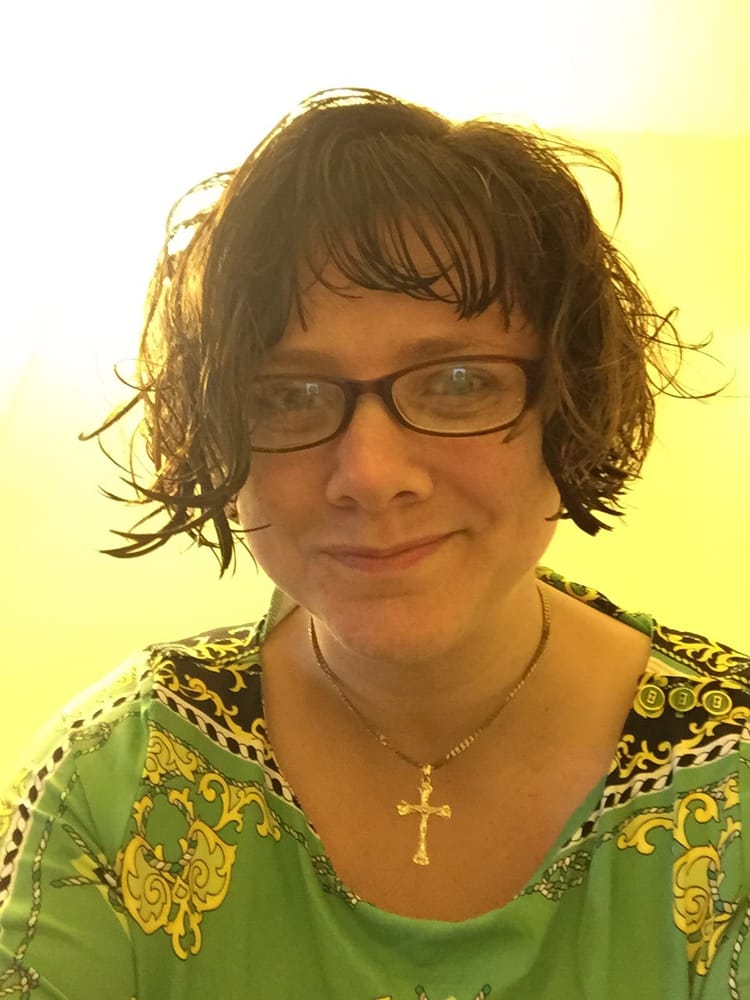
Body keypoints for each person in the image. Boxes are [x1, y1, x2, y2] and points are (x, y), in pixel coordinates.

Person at [0, 86, 747, 999]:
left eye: (459, 382)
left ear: (572, 403)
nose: (370, 473)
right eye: (288, 395)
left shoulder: (734, 776)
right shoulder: (110, 783)